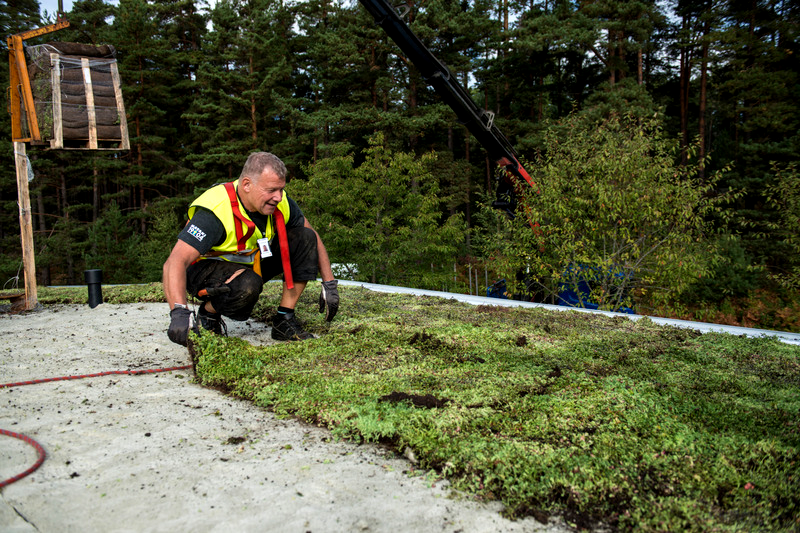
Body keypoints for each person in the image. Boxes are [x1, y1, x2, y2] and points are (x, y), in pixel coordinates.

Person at [163, 152, 339, 345]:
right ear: (246, 184)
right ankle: (208, 313)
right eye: (271, 190)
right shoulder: (216, 210)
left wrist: (329, 283)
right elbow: (175, 261)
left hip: (250, 264)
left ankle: (284, 319)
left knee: (304, 237)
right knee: (247, 285)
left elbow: (312, 236)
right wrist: (179, 312)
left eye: (281, 189)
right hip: (206, 272)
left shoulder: (280, 203)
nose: (278, 197)